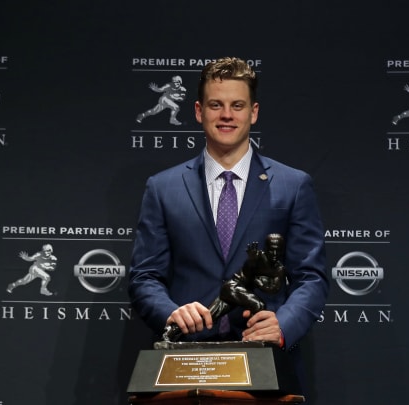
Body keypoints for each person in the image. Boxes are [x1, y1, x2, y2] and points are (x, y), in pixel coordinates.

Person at [128, 57, 329, 387]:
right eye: (215, 105)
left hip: (264, 364)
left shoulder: (293, 186)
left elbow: (312, 277)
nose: (226, 115)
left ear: (253, 112)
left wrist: (282, 325)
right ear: (198, 111)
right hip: (185, 363)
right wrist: (171, 312)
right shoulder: (163, 188)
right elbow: (144, 276)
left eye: (237, 105)